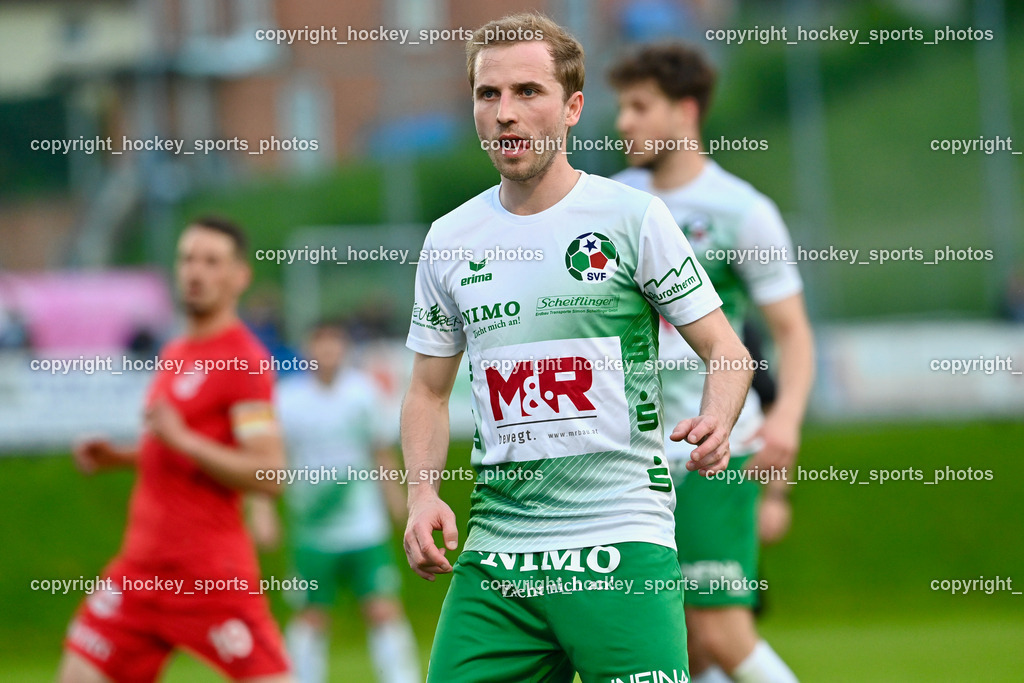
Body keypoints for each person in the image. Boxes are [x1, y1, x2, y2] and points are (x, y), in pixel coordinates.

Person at [401, 12, 753, 683]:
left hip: (618, 545)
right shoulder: (450, 238)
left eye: (528, 92)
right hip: (499, 559)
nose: (505, 113)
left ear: (572, 107)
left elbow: (728, 351)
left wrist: (718, 417)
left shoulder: (631, 218)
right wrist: (423, 492)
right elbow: (425, 390)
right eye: (488, 94)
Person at [610, 43, 815, 683]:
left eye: (640, 106)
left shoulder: (742, 211)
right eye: (621, 107)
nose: (623, 123)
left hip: (715, 450)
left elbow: (793, 334)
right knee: (673, 640)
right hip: (636, 453)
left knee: (719, 629)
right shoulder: (612, 205)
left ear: (686, 111)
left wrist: (785, 422)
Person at [58, 217, 293, 683]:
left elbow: (269, 472)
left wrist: (183, 438)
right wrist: (121, 457)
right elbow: (171, 451)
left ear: (239, 277)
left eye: (211, 261)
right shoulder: (177, 351)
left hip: (209, 577)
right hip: (140, 573)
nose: (195, 271)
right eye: (187, 259)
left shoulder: (244, 361)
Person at [248, 321, 420, 683]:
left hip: (363, 528)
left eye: (334, 344)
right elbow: (269, 458)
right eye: (320, 344)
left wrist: (404, 506)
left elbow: (381, 453)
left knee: (383, 609)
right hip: (312, 531)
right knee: (311, 615)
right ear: (308, 350)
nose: (328, 352)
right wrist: (262, 512)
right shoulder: (287, 399)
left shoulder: (364, 393)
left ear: (345, 348)